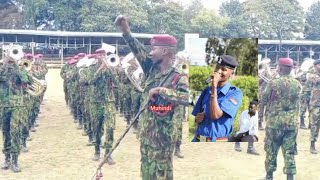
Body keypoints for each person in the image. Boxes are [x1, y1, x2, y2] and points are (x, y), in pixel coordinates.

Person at [115, 15, 189, 180]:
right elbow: (137, 49)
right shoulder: (150, 69)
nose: (150, 52)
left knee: (162, 173)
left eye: (153, 48)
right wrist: (126, 31)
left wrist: (162, 90)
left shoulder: (178, 76)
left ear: (164, 51)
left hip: (163, 139)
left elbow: (186, 98)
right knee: (147, 172)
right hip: (147, 135)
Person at [261, 57, 302, 180]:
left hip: (274, 123)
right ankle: (290, 177)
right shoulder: (298, 84)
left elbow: (263, 100)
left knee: (271, 149)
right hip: (291, 124)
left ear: (280, 68)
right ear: (290, 69)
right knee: (289, 151)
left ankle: (269, 176)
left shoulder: (273, 83)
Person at [192, 55, 243, 142]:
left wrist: (214, 86)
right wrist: (197, 119)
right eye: (217, 67)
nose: (218, 71)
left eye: (223, 69)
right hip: (199, 139)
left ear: (232, 73)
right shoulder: (206, 91)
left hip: (218, 142)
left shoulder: (235, 93)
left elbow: (215, 115)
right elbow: (197, 117)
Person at [0, 49, 31, 172]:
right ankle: (7, 158)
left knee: (15, 131)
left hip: (18, 105)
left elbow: (26, 80)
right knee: (5, 132)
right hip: (3, 105)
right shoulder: (2, 69)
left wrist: (17, 65)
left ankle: (15, 160)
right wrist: (5, 63)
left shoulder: (20, 69)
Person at [306, 59, 320, 154]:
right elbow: (316, 80)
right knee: (315, 124)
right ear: (315, 66)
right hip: (316, 104)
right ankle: (312, 144)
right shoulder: (311, 74)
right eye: (319, 65)